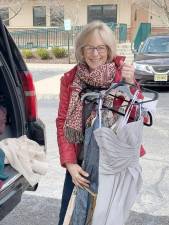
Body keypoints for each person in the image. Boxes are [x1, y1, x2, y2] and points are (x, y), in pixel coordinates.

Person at [56, 20, 145, 225]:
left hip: (114, 164)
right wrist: (70, 164)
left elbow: (139, 115)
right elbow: (63, 121)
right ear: (81, 49)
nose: (95, 53)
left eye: (101, 47)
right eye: (89, 47)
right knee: (72, 217)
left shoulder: (122, 74)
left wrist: (130, 85)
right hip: (81, 164)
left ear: (109, 49)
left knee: (106, 218)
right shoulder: (71, 80)